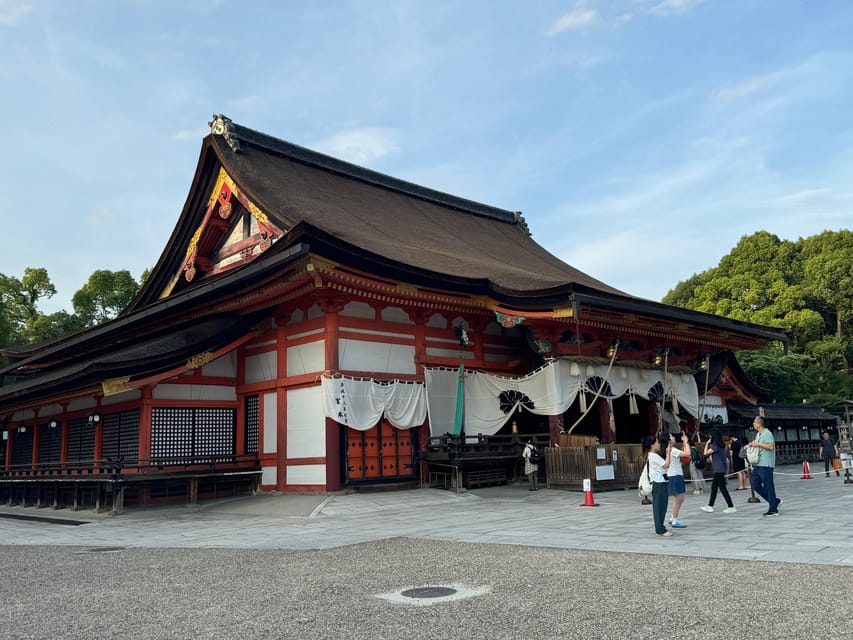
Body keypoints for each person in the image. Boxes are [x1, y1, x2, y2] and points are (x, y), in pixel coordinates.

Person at [701, 428, 736, 513]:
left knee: (722, 488)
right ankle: (710, 505)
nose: (709, 436)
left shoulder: (716, 445)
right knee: (714, 487)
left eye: (710, 435)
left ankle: (731, 506)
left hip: (718, 469)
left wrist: (707, 444)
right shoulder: (721, 444)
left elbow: (705, 453)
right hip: (719, 468)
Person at [750, 416, 780, 516]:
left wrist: (757, 444)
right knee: (755, 484)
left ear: (759, 424)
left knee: (768, 486)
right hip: (758, 463)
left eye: (755, 422)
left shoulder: (767, 433)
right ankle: (774, 502)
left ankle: (773, 509)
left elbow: (771, 446)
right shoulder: (758, 434)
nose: (753, 424)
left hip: (766, 464)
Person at [644, 434, 673, 537]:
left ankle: (661, 527)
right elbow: (666, 465)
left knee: (662, 506)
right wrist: (668, 452)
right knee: (659, 507)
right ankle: (660, 529)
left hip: (661, 482)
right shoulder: (653, 456)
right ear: (652, 445)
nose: (659, 444)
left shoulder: (653, 455)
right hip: (658, 483)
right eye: (657, 442)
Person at [667, 432, 690, 528]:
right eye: (671, 436)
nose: (673, 437)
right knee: (678, 499)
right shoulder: (672, 450)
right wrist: (685, 442)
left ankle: (673, 517)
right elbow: (688, 453)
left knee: (680, 499)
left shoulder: (669, 450)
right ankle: (675, 520)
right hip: (675, 475)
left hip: (674, 475)